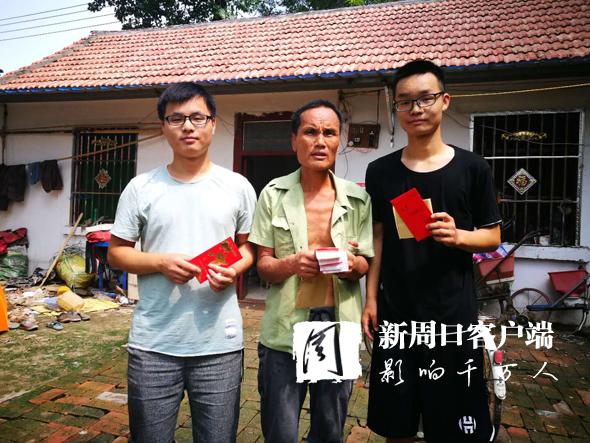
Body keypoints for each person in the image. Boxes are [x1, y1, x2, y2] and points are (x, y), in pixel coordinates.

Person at [108, 82, 256, 443]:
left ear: (212, 123)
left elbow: (249, 248)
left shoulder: (237, 186)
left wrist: (234, 268)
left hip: (219, 343)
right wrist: (160, 262)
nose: (187, 127)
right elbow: (116, 252)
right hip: (153, 342)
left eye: (197, 117)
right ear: (164, 127)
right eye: (176, 119)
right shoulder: (141, 188)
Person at [362, 60, 502, 443]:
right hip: (397, 315)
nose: (416, 109)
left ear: (445, 100)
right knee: (397, 425)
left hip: (452, 317)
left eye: (425, 98)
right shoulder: (381, 172)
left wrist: (459, 237)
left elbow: (492, 237)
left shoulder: (473, 168)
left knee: (454, 427)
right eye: (405, 101)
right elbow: (378, 237)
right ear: (396, 107)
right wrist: (370, 298)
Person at [248, 99, 374, 443]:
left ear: (339, 140)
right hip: (286, 326)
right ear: (294, 140)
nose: (320, 141)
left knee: (328, 430)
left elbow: (365, 262)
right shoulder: (273, 194)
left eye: (329, 133)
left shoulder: (357, 199)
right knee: (280, 431)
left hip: (335, 322)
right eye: (310, 132)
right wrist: (291, 263)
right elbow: (263, 265)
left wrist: (352, 265)